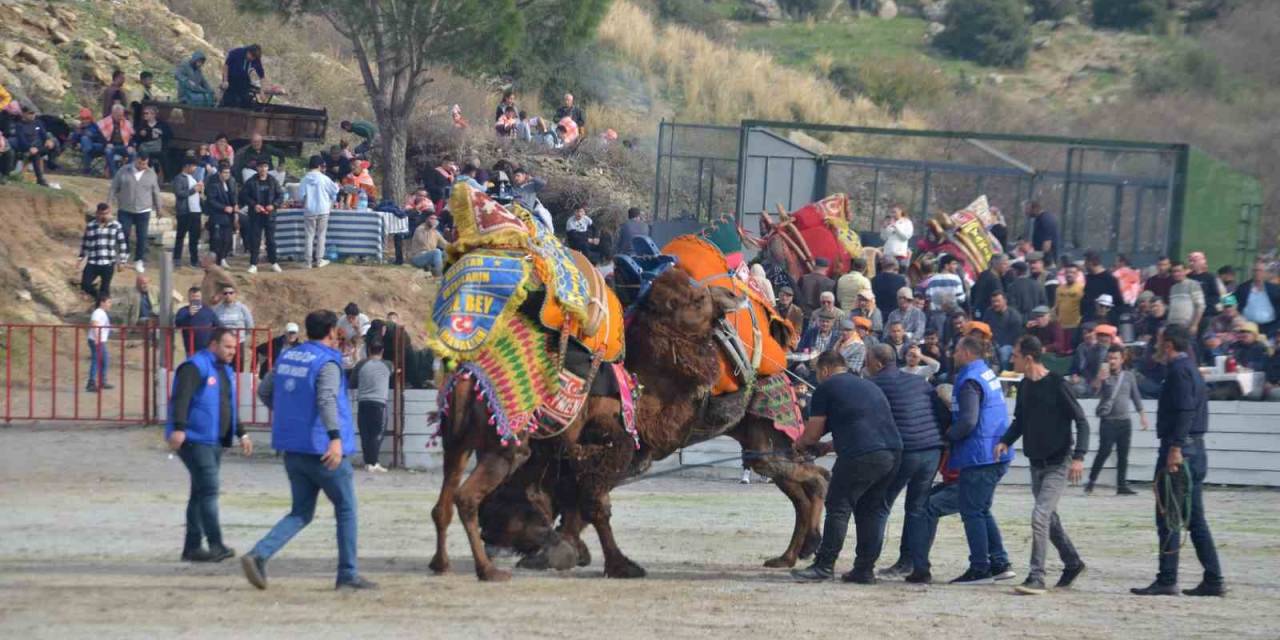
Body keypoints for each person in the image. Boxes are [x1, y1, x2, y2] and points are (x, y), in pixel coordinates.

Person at [242, 309, 376, 591]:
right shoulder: (327, 361)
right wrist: (335, 438)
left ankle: (259, 554)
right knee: (346, 508)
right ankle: (347, 573)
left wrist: (293, 415)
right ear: (330, 331)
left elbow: (264, 392)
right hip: (322, 448)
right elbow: (326, 399)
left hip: (293, 448)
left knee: (301, 512)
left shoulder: (288, 355)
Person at [907, 337, 1015, 585]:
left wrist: (948, 437)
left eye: (956, 351)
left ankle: (980, 568)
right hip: (995, 451)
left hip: (980, 454)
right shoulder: (986, 373)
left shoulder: (968, 380)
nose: (953, 355)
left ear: (966, 352)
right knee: (982, 509)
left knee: (972, 512)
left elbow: (968, 420)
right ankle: (999, 562)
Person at [791, 350, 902, 583]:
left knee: (838, 506)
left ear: (824, 370)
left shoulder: (826, 388)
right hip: (892, 452)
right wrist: (828, 447)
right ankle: (864, 569)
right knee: (869, 511)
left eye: (817, 373)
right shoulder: (868, 385)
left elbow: (811, 434)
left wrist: (799, 445)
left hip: (861, 455)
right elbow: (860, 424)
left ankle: (824, 565)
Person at [1131, 324, 1225, 597]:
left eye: (1160, 341)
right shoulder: (1190, 369)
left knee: (1169, 515)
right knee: (1194, 519)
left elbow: (1184, 411)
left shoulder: (1178, 371)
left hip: (1180, 451)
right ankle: (1213, 579)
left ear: (1169, 344)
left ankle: (1168, 578)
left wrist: (1175, 448)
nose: (1157, 347)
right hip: (1193, 450)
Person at [998, 335, 1089, 595]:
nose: (1011, 359)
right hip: (1037, 463)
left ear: (1028, 358)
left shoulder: (1057, 385)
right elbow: (1020, 420)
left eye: (1015, 355)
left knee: (1040, 516)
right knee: (1049, 519)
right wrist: (1006, 441)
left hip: (1059, 462)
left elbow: (1081, 421)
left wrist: (1079, 457)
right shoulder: (1025, 385)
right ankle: (1072, 562)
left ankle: (1036, 576)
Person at [166, 327, 253, 563]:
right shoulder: (194, 367)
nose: (232, 352)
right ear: (213, 345)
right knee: (210, 491)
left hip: (213, 441)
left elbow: (228, 405)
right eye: (227, 347)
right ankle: (215, 545)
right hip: (195, 440)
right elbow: (181, 398)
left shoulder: (225, 371)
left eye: (234, 348)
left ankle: (192, 548)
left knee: (200, 493)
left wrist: (241, 433)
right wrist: (179, 428)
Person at [866, 344, 946, 579]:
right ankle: (910, 562)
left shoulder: (874, 385)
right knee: (917, 509)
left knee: (880, 506)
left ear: (879, 363)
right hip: (932, 449)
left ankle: (866, 564)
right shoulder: (920, 382)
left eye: (868, 360)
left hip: (906, 451)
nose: (865, 365)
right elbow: (939, 412)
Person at [1088, 345, 1147, 495]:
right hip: (1108, 421)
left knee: (1123, 454)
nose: (1112, 361)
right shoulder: (1104, 375)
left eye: (1115, 358)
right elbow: (1094, 392)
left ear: (1122, 359)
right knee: (1104, 452)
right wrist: (1099, 380)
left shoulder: (1128, 376)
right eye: (1110, 358)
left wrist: (1142, 415)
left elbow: (1135, 396)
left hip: (1124, 421)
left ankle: (1121, 485)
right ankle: (1091, 481)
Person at [108, 154, 163, 273]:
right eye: (141, 163)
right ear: (136, 160)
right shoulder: (124, 170)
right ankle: (124, 254)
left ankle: (139, 260)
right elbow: (113, 188)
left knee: (142, 236)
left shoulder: (151, 173)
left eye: (145, 164)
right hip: (125, 208)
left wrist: (159, 208)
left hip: (143, 210)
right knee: (124, 233)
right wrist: (109, 204)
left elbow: (156, 192)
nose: (143, 166)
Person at [351, 340, 393, 472]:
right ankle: (373, 462)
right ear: (382, 351)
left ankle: (368, 462)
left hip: (363, 402)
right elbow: (392, 373)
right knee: (376, 433)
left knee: (365, 433)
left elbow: (352, 382)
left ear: (368, 350)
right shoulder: (388, 365)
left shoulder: (361, 365)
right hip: (379, 403)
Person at [239, 161, 284, 273]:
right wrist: (254, 205)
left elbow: (280, 196)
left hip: (270, 215)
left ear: (268, 168)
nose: (263, 169)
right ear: (257, 168)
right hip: (256, 215)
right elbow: (244, 195)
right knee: (255, 240)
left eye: (265, 166)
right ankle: (253, 264)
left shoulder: (273, 181)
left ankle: (273, 262)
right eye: (260, 167)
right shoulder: (251, 181)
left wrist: (273, 205)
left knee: (271, 240)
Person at [77, 203, 128, 300]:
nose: (104, 216)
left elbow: (122, 244)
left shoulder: (116, 226)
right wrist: (80, 258)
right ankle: (99, 298)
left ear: (109, 213)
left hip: (108, 263)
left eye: (106, 213)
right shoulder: (91, 226)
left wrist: (122, 261)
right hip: (93, 262)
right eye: (101, 214)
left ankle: (102, 306)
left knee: (105, 288)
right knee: (85, 285)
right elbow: (85, 243)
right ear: (97, 214)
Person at [299, 155, 339, 269]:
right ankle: (319, 260)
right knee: (321, 235)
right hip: (323, 209)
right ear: (319, 165)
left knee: (309, 236)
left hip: (309, 210)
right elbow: (335, 190)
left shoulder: (304, 179)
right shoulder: (324, 178)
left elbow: (300, 196)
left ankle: (308, 262)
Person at [11, 105, 58, 186]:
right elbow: (22, 140)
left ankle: (51, 162)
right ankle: (40, 179)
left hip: (39, 147)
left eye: (34, 113)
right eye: (30, 113)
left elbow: (43, 134)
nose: (33, 115)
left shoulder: (37, 123)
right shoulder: (19, 125)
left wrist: (48, 140)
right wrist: (29, 148)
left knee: (54, 143)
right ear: (24, 114)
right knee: (35, 154)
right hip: (27, 149)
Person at [204, 162, 239, 268]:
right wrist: (223, 207)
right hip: (217, 215)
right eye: (225, 172)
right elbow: (211, 200)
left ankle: (223, 258)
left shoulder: (231, 183)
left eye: (228, 173)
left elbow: (234, 196)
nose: (227, 175)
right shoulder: (213, 184)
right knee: (217, 239)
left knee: (227, 239)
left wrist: (235, 206)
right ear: (219, 173)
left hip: (229, 216)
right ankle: (216, 260)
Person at [171, 156, 204, 268]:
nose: (195, 168)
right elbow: (179, 194)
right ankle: (177, 258)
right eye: (193, 166)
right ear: (187, 166)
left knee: (194, 237)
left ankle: (194, 260)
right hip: (185, 211)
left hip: (195, 211)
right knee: (181, 235)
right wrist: (194, 190)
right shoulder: (179, 178)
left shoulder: (193, 178)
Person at [213, 285, 254, 372]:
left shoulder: (242, 308)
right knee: (223, 366)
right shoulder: (217, 309)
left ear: (235, 294)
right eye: (225, 293)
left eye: (231, 293)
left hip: (238, 341)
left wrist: (243, 337)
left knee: (238, 366)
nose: (228, 295)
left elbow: (249, 324)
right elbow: (214, 324)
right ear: (222, 295)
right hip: (223, 343)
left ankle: (237, 384)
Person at [1236, 259, 1280, 337]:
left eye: (1260, 271)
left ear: (1265, 273)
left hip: (1270, 328)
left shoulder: (1275, 289)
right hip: (1248, 327)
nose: (1257, 273)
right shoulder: (1243, 288)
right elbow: (1229, 300)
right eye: (1255, 270)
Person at [174, 287, 221, 357]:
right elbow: (178, 324)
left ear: (201, 297)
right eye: (193, 296)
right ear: (189, 297)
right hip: (191, 348)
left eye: (197, 296)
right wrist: (189, 315)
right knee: (193, 367)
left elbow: (218, 324)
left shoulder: (208, 310)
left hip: (207, 348)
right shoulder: (183, 311)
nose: (195, 298)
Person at [984, 291, 1024, 368]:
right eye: (993, 301)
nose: (995, 304)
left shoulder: (1014, 315)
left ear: (1005, 301)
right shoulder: (989, 312)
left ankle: (1004, 376)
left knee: (1004, 352)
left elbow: (1016, 337)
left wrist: (999, 345)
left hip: (1009, 345)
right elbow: (985, 329)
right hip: (991, 343)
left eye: (998, 301)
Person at [85, 293, 115, 392]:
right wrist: (97, 337)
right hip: (96, 340)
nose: (110, 304)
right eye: (108, 302)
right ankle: (91, 383)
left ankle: (102, 381)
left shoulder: (102, 312)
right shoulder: (98, 312)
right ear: (102, 303)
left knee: (104, 360)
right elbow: (94, 324)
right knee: (96, 360)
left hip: (99, 340)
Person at [1082, 252, 1122, 324]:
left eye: (1085, 262)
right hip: (1087, 320)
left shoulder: (1110, 279)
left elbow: (1118, 303)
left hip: (1103, 321)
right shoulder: (1088, 278)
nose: (1084, 265)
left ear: (1091, 262)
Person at [220, 44, 264, 109]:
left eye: (254, 58)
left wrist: (262, 91)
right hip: (232, 79)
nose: (252, 59)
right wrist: (225, 80)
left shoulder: (255, 59)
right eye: (252, 56)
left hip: (244, 80)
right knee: (230, 101)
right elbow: (226, 66)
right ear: (248, 52)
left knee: (246, 100)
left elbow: (262, 76)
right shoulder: (236, 53)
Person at [1167, 260, 1205, 330]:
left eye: (1179, 271)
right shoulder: (1172, 288)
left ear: (1185, 271)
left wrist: (1194, 325)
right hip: (1172, 326)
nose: (1176, 274)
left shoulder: (1193, 284)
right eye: (1174, 271)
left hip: (1187, 327)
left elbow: (1200, 306)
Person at [134, 106, 171, 174]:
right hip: (145, 148)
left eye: (147, 113)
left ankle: (167, 179)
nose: (145, 115)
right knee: (145, 154)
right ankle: (148, 173)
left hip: (157, 148)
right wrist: (140, 134)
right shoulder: (142, 124)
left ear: (153, 115)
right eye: (144, 113)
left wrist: (161, 132)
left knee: (164, 156)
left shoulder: (161, 124)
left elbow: (170, 135)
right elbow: (136, 138)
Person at [1053, 263, 1085, 340]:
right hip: (1061, 325)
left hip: (1076, 325)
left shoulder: (1082, 288)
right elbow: (1056, 306)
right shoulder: (1059, 289)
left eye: (1072, 272)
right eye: (1067, 272)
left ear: (1077, 274)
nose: (1069, 274)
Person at [971, 255, 1008, 320]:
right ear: (996, 264)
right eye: (1004, 264)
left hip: (977, 311)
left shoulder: (984, 274)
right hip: (988, 316)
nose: (1007, 267)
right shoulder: (994, 280)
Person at [1026, 201, 1060, 266]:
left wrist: (1042, 260)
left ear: (1035, 209)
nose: (1026, 212)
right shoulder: (1038, 219)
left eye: (1028, 209)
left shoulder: (1046, 219)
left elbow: (1047, 243)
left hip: (1048, 260)